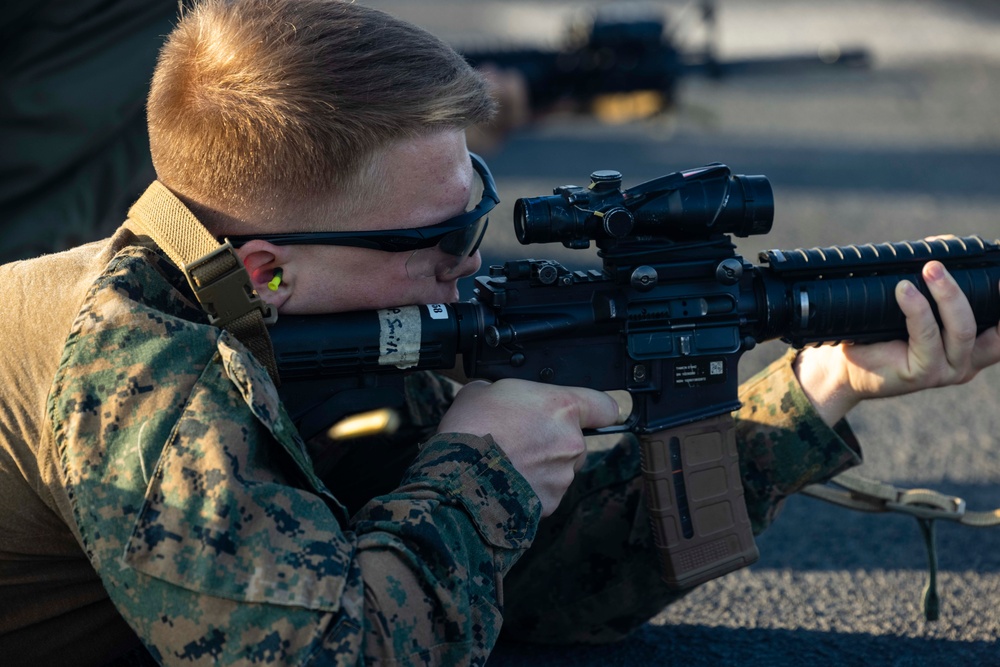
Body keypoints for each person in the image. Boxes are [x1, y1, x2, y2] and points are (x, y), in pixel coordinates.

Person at [1, 1, 997, 665]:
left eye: (474, 195)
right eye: (435, 235)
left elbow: (513, 597)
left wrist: (821, 386)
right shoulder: (141, 373)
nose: (471, 255)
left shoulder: (329, 313)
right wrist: (481, 465)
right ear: (266, 264)